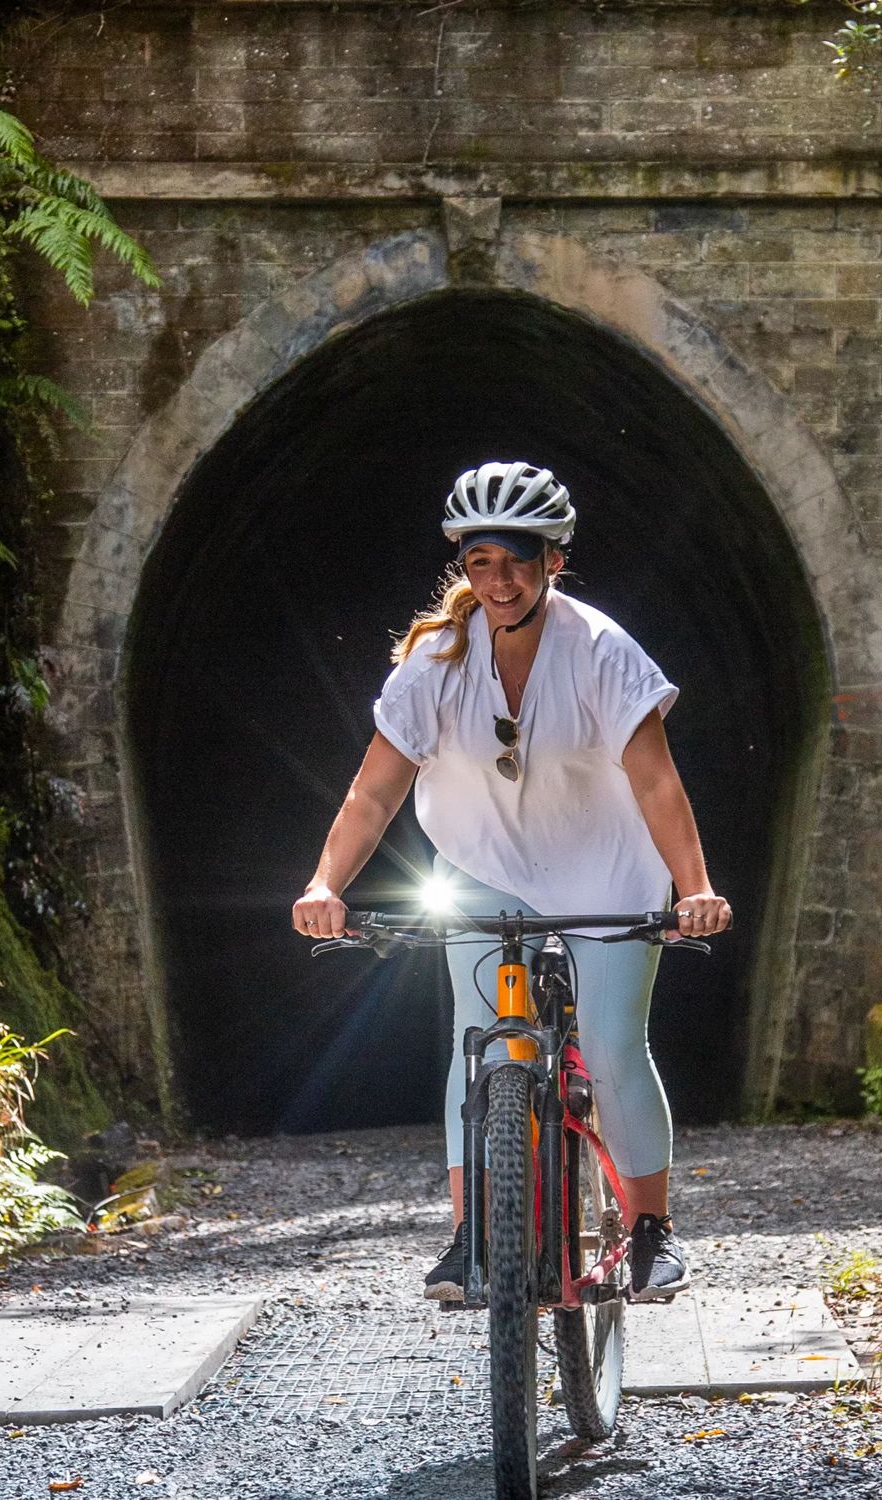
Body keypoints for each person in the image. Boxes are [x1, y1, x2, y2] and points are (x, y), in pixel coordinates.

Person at [292, 460, 731, 1302]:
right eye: (481, 561)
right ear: (465, 565)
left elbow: (656, 783)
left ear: (554, 562)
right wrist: (324, 883)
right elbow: (374, 789)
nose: (498, 579)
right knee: (481, 1040)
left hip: (605, 865)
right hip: (484, 867)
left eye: (518, 560)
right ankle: (470, 1237)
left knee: (607, 1045)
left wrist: (693, 887)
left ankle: (650, 1232)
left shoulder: (602, 650)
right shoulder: (435, 664)